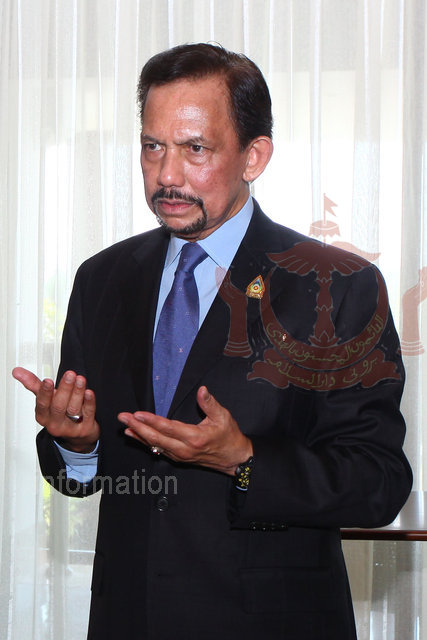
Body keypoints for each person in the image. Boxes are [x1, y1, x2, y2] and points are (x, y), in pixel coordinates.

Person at [12, 43, 412, 640]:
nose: (167, 175)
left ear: (254, 156)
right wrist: (78, 444)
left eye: (195, 149)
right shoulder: (102, 279)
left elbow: (377, 483)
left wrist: (244, 460)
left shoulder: (338, 286)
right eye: (153, 147)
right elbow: (82, 480)